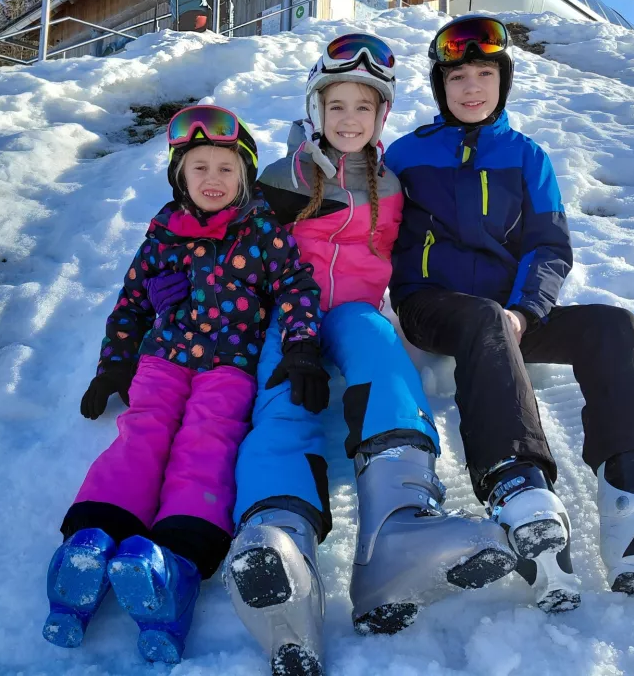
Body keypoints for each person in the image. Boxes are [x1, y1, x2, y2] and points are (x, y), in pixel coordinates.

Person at [385, 14, 634, 612]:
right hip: (432, 306)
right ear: (439, 87)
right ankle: (516, 486)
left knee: (612, 325)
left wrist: (527, 310)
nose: (470, 87)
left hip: (506, 314)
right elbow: (367, 224)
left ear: (502, 81)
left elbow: (548, 247)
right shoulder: (407, 154)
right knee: (483, 318)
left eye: (483, 73)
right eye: (456, 77)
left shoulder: (528, 157)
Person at [146, 35, 517, 676]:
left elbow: (418, 252)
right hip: (278, 318)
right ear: (314, 108)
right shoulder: (278, 177)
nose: (349, 119)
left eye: (364, 109)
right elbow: (217, 236)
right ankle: (279, 535)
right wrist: (177, 292)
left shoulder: (391, 184)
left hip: (353, 313)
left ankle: (399, 527)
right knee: (281, 397)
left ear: (382, 118)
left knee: (381, 351)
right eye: (336, 104)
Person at [42, 106, 324, 664]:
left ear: (243, 177)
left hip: (230, 368)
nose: (213, 179)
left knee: (206, 440)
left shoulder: (263, 231)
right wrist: (115, 366)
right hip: (164, 362)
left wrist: (301, 345)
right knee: (141, 432)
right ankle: (92, 539)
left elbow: (296, 287)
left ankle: (176, 556)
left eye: (225, 168)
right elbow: (132, 304)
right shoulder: (162, 234)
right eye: (200, 168)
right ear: (180, 176)